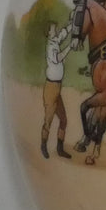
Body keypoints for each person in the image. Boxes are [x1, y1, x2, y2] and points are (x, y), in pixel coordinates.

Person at [41, 21, 73, 159]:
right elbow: (58, 58)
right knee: (48, 121)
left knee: (63, 119)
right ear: (49, 33)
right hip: (51, 88)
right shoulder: (50, 47)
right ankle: (43, 146)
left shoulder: (55, 41)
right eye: (53, 29)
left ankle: (60, 148)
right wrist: (70, 46)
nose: (56, 30)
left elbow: (63, 34)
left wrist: (72, 24)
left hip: (57, 88)